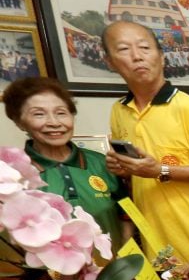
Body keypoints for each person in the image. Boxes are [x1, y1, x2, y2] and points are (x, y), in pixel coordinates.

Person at [103, 21, 189, 266]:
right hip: (158, 246)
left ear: (162, 57)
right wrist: (123, 169)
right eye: (123, 49)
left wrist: (160, 170)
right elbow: (136, 174)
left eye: (145, 48)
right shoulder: (119, 111)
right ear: (109, 62)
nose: (137, 56)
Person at [3, 76, 126, 242]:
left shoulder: (102, 162)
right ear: (19, 122)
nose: (54, 122)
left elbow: (127, 213)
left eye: (61, 113)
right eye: (39, 114)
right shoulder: (12, 176)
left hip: (113, 258)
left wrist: (124, 251)